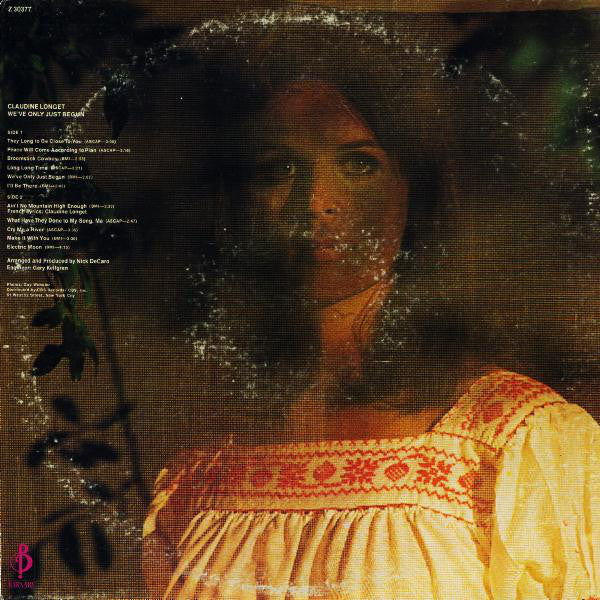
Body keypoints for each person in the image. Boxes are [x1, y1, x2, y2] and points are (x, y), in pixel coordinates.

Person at [142, 49, 600, 599]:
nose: (316, 202)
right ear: (236, 206)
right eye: (277, 169)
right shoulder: (201, 471)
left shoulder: (518, 441)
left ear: (414, 189)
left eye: (358, 164)